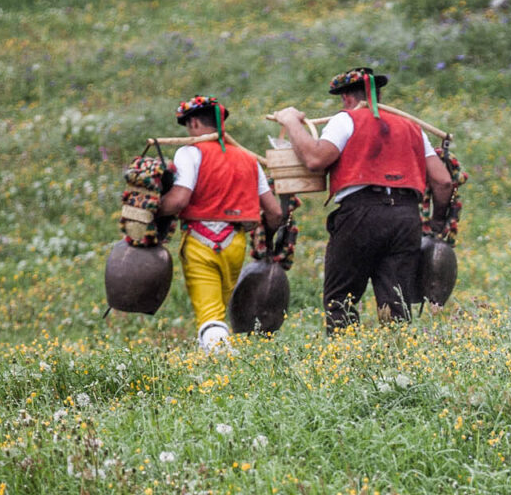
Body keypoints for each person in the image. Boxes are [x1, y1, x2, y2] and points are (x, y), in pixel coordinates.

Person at [269, 67, 454, 331]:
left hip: (360, 214)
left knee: (341, 299)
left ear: (346, 98)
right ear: (378, 94)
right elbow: (443, 181)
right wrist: (436, 224)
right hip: (406, 217)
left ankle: (346, 359)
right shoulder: (413, 128)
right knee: (396, 302)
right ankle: (399, 361)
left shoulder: (345, 120)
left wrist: (291, 122)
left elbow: (315, 159)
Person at [158, 96, 284, 355]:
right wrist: (267, 241)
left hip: (199, 241)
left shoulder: (190, 152)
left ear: (193, 122)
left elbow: (180, 199)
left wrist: (152, 207)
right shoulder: (248, 159)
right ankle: (213, 348)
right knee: (217, 308)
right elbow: (273, 211)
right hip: (235, 242)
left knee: (209, 312)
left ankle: (223, 365)